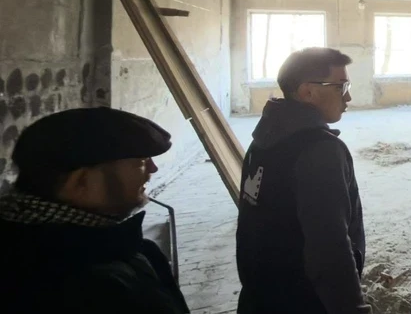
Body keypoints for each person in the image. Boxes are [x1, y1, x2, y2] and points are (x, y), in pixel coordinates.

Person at [0, 107, 189, 314]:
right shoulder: (91, 288)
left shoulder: (24, 238)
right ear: (81, 181)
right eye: (140, 162)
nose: (153, 169)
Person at [236, 47, 369, 314]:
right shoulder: (320, 151)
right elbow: (330, 248)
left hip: (260, 298)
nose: (348, 97)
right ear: (308, 92)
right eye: (341, 87)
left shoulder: (263, 139)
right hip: (306, 301)